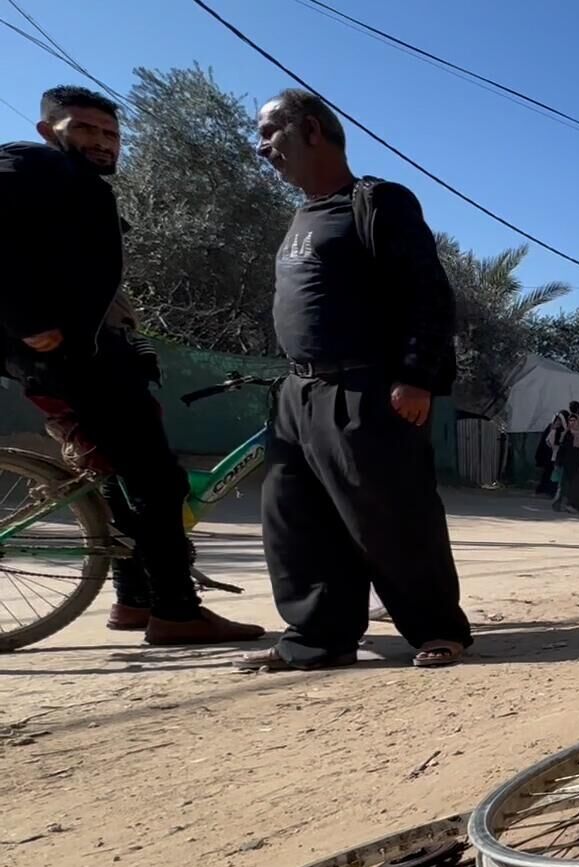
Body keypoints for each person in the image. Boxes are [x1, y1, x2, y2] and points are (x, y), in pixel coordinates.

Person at [0, 86, 261, 646]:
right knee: (157, 481)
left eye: (111, 134)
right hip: (70, 357)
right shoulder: (32, 167)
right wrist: (27, 319)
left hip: (81, 354)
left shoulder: (72, 184)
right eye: (86, 129)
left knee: (119, 475)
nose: (101, 142)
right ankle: (176, 611)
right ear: (51, 130)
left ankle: (134, 600)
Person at [240, 89, 472, 671]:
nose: (262, 146)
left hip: (365, 389)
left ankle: (437, 628)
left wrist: (416, 376)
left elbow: (428, 294)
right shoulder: (300, 217)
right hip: (297, 394)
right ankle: (320, 638)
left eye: (271, 132)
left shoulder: (377, 202)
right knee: (297, 522)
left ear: (312, 130)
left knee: (392, 515)